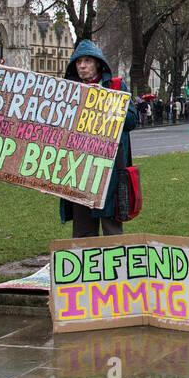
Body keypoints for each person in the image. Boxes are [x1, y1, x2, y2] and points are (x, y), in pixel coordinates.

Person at [59, 39, 138, 238]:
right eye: (78, 62)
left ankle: (115, 269)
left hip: (109, 172)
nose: (82, 66)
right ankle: (86, 268)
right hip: (79, 171)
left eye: (87, 61)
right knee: (83, 233)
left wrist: (104, 103)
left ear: (97, 64)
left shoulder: (116, 86)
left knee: (112, 231)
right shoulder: (69, 91)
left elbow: (131, 121)